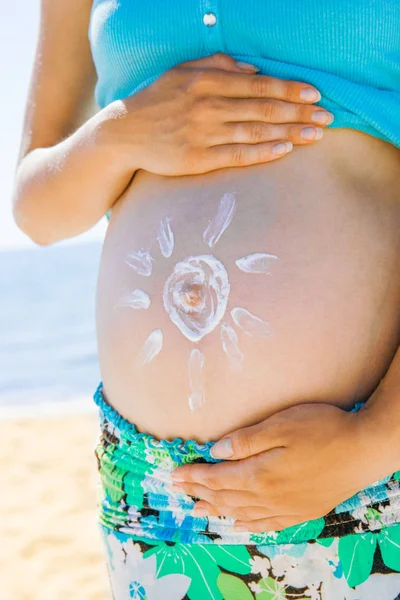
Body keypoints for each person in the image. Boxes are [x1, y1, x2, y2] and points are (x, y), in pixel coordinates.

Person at [12, 1, 400, 598]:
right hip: (152, 490)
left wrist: (374, 441)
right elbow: (37, 209)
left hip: (368, 472)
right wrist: (118, 134)